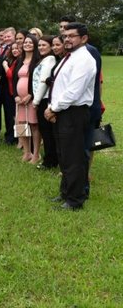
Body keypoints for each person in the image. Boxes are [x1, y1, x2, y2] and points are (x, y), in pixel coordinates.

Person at [44, 22, 96, 211]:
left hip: (73, 113)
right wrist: (53, 107)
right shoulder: (69, 57)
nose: (67, 39)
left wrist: (53, 109)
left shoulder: (84, 60)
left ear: (84, 38)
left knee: (73, 157)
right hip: (62, 111)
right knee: (64, 155)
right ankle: (66, 192)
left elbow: (73, 91)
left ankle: (75, 200)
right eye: (65, 36)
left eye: (72, 36)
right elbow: (59, 85)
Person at [13, 34, 41, 162]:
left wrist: (31, 95)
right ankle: (26, 152)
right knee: (21, 125)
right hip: (19, 99)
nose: (27, 44)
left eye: (30, 42)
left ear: (35, 45)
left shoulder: (38, 61)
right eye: (25, 42)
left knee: (34, 125)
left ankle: (36, 154)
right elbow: (14, 80)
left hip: (31, 98)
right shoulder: (19, 60)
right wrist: (16, 96)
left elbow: (38, 80)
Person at [32, 35, 58, 170]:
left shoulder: (50, 60)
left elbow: (43, 82)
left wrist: (36, 101)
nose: (41, 48)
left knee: (47, 131)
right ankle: (51, 158)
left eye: (44, 45)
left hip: (44, 99)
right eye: (39, 45)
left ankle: (50, 161)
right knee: (46, 131)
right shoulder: (44, 59)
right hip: (41, 99)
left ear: (50, 47)